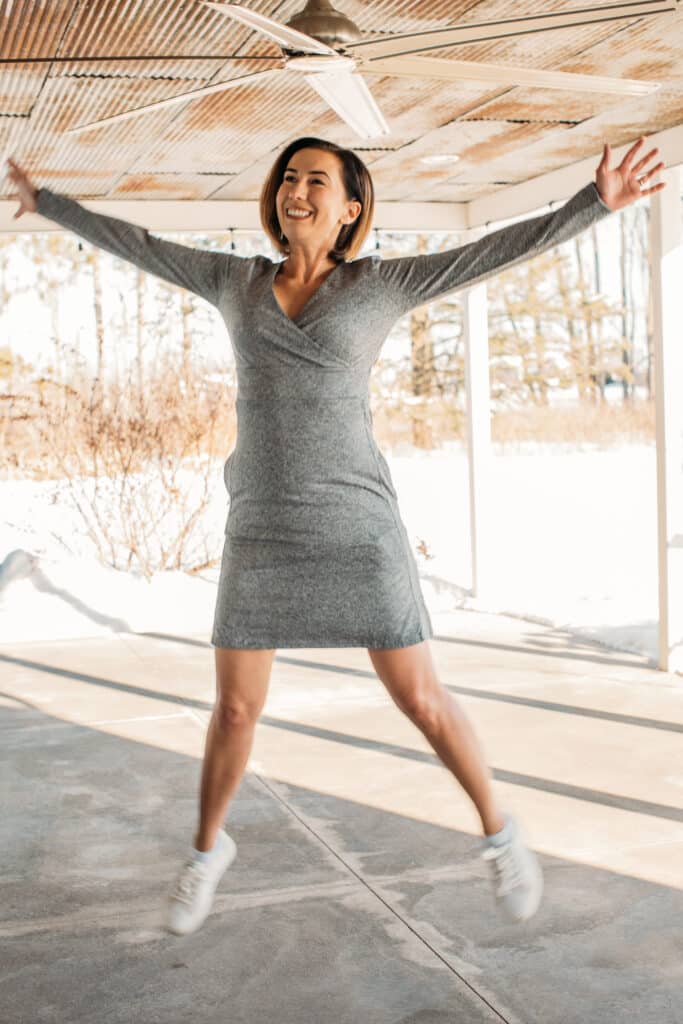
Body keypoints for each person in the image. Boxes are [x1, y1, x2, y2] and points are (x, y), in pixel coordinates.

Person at [5, 136, 664, 937]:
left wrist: (593, 204)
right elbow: (141, 247)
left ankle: (499, 832)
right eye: (288, 177)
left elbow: (491, 251)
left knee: (420, 698)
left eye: (316, 180)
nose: (295, 189)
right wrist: (50, 205)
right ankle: (208, 853)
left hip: (359, 527)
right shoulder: (234, 281)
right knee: (236, 712)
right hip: (264, 528)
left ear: (350, 208)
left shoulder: (380, 286)